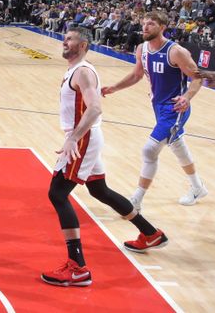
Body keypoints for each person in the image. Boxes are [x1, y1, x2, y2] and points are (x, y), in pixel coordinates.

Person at [42, 27, 168, 288]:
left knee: (57, 193)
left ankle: (77, 267)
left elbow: (95, 108)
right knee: (99, 189)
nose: (64, 42)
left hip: (84, 138)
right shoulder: (74, 70)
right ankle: (150, 233)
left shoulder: (83, 72)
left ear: (84, 44)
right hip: (88, 137)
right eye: (64, 39)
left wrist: (73, 138)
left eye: (70, 39)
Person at [102, 11, 207, 210]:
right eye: (144, 23)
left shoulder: (176, 51)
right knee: (176, 145)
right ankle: (197, 187)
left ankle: (136, 201)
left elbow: (198, 77)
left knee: (149, 150)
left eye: (150, 24)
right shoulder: (141, 49)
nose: (145, 27)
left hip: (176, 107)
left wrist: (187, 97)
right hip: (158, 106)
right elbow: (136, 75)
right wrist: (114, 87)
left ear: (162, 27)